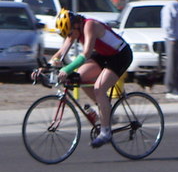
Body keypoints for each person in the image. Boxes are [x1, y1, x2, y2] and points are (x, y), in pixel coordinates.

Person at [37, 8, 133, 148]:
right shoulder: (74, 30)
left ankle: (106, 132)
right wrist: (44, 68)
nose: (70, 36)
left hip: (120, 55)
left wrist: (67, 69)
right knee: (79, 78)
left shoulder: (90, 25)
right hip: (104, 55)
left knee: (99, 88)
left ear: (76, 25)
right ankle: (104, 110)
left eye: (70, 33)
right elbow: (60, 53)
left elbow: (87, 53)